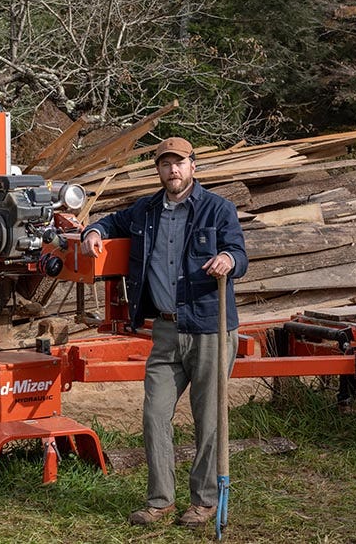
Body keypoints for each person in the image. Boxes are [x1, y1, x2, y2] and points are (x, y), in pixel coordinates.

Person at [80, 137, 247, 529]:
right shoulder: (146, 210)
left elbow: (240, 253)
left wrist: (227, 258)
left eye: (179, 163)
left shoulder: (218, 209)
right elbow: (109, 221)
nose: (172, 170)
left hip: (210, 327)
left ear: (193, 166)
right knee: (154, 414)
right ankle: (160, 501)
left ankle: (204, 501)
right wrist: (92, 232)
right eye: (165, 164)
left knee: (209, 419)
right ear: (158, 169)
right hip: (166, 330)